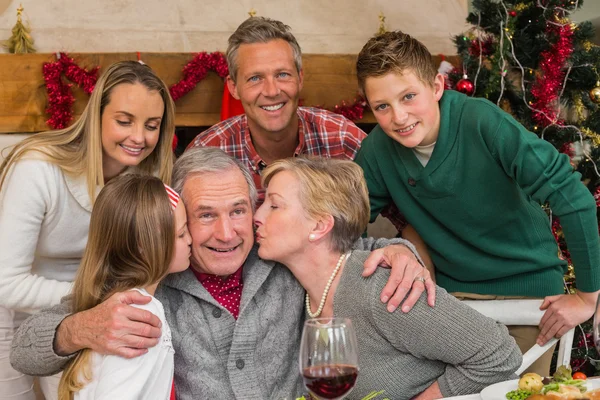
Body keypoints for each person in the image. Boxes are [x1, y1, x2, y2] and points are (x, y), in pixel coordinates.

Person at [12, 148, 429, 399]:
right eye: (206, 215)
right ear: (177, 220)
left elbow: (357, 248)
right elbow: (25, 349)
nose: (226, 233)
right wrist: (80, 328)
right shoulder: (151, 278)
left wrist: (402, 250)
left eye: (238, 211)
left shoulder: (280, 255)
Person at [354, 30, 600, 375]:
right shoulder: (377, 151)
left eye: (409, 97)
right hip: (452, 302)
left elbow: (573, 197)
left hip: (531, 296)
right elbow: (345, 222)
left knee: (517, 395)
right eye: (382, 106)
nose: (398, 116)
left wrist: (588, 296)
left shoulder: (482, 121)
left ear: (437, 87)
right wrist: (397, 247)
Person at [187, 16, 435, 305]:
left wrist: (416, 269)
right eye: (255, 78)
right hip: (247, 306)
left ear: (300, 78)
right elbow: (181, 239)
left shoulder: (343, 139)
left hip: (342, 297)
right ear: (233, 87)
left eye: (282, 74)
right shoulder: (209, 151)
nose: (271, 90)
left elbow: (408, 217)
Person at [253, 157, 522, 399]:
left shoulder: (380, 288)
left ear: (319, 226)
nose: (257, 216)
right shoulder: (300, 291)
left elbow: (498, 355)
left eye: (274, 205)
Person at [0, 60, 175, 399]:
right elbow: (5, 283)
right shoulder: (37, 168)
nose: (139, 137)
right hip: (16, 312)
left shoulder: (147, 179)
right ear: (96, 116)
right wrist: (94, 298)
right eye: (124, 121)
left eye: (152, 125)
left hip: (92, 307)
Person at [58, 174, 191, 399]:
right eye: (181, 233)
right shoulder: (141, 313)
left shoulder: (110, 298)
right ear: (145, 247)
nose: (189, 240)